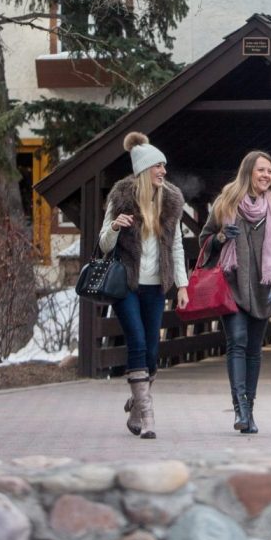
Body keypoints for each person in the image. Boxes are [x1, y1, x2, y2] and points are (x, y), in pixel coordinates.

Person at [198, 150, 271, 434]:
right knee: (237, 341)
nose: (266, 176)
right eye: (261, 170)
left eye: (270, 171)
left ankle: (250, 407)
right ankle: (241, 409)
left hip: (264, 288)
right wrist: (221, 238)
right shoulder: (226, 203)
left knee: (254, 350)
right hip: (232, 284)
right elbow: (205, 239)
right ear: (248, 171)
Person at [99, 131, 189, 439]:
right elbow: (103, 244)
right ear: (142, 170)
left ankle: (137, 403)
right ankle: (148, 416)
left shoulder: (172, 201)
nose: (163, 171)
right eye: (157, 166)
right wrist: (114, 227)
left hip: (155, 287)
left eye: (164, 166)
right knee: (137, 341)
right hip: (127, 284)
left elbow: (176, 246)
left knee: (151, 351)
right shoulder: (120, 198)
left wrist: (183, 286)